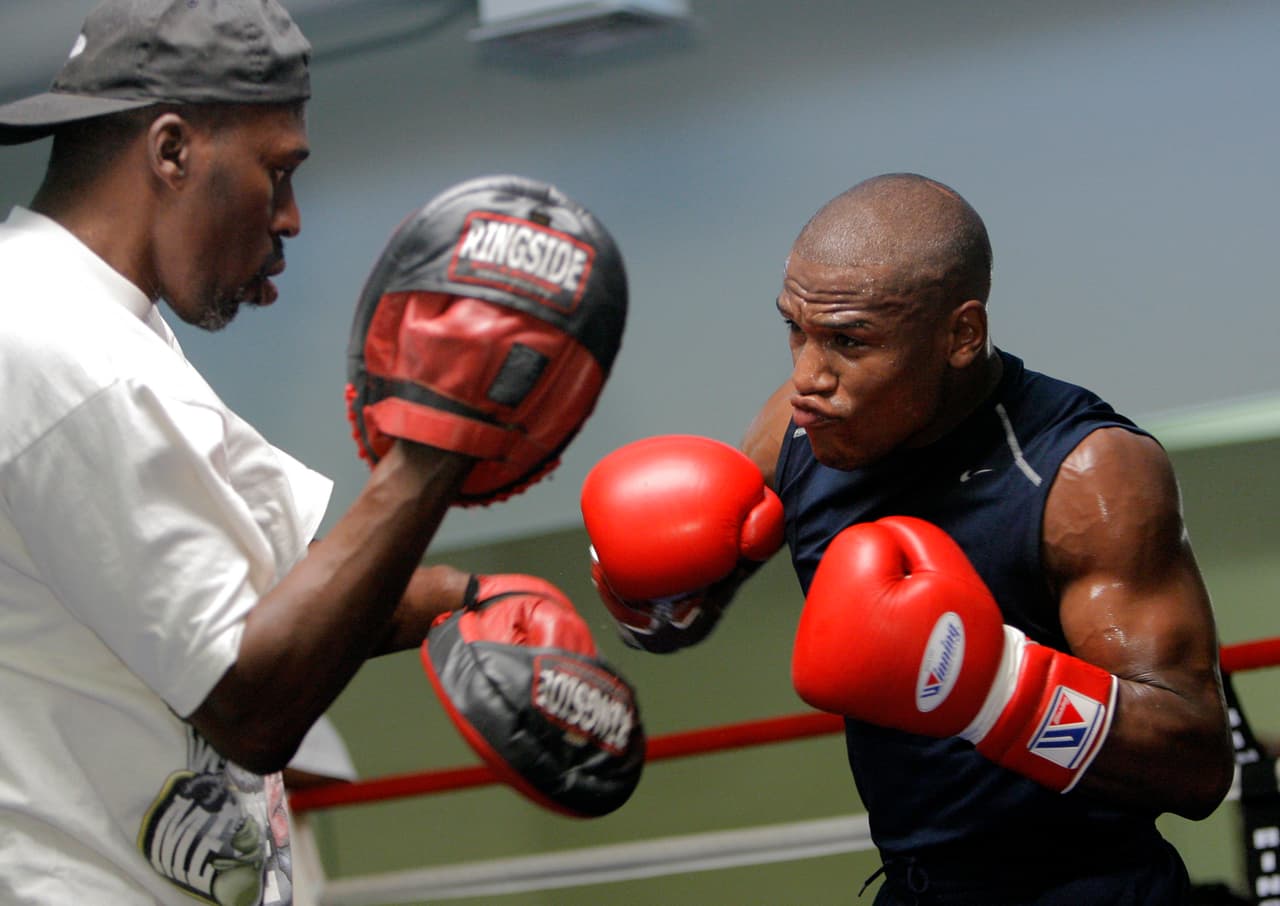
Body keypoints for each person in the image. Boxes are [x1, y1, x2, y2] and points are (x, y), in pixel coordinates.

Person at [0, 2, 635, 903]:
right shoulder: (60, 350)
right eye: (278, 172)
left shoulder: (88, 328)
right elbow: (251, 705)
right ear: (172, 151)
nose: (291, 218)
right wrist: (436, 449)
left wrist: (465, 597)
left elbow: (276, 588)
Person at [582, 172, 1235, 904]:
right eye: (796, 329)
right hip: (918, 889)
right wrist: (644, 598)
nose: (807, 376)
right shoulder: (800, 428)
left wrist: (993, 687)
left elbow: (1195, 767)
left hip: (1092, 891)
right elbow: (683, 611)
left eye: (848, 340)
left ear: (961, 336)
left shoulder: (1085, 472)